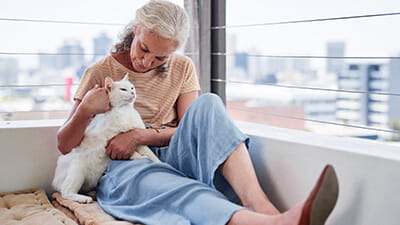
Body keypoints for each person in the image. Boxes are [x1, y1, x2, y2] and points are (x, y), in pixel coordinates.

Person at [56, 0, 339, 224]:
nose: (146, 61)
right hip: (122, 164)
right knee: (170, 185)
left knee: (210, 103)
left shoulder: (182, 68)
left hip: (168, 151)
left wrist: (141, 135)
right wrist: (85, 110)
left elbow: (189, 127)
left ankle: (261, 206)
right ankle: (271, 224)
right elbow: (64, 144)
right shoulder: (101, 72)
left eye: (160, 57)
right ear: (136, 29)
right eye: (144, 49)